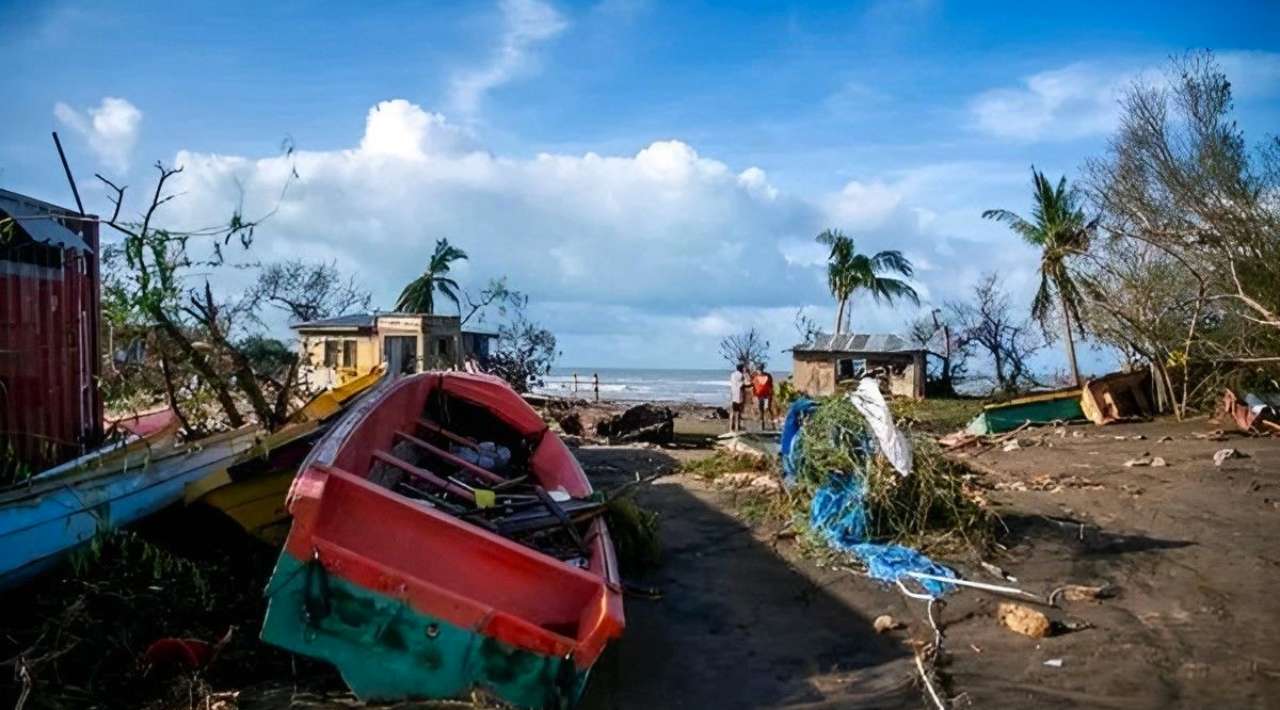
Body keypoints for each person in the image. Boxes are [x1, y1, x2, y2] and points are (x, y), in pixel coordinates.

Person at [751, 364, 775, 431]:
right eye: (758, 370)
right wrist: (753, 395)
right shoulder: (755, 377)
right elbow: (753, 386)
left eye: (760, 369)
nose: (759, 371)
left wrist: (771, 394)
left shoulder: (768, 376)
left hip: (767, 395)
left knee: (768, 409)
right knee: (761, 411)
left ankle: (773, 425)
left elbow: (771, 386)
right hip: (759, 396)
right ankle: (762, 426)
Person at [728, 362, 747, 432]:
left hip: (733, 394)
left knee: (732, 412)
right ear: (741, 368)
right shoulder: (741, 375)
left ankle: (731, 428)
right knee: (738, 412)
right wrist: (750, 385)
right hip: (739, 396)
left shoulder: (732, 374)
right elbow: (742, 385)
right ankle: (737, 427)